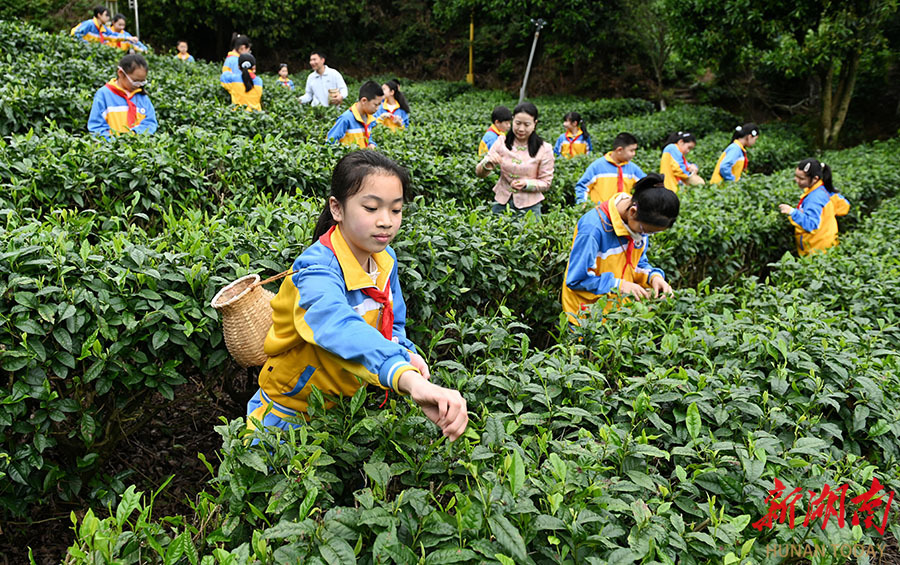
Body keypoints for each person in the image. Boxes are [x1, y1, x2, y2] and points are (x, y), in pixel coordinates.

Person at [246, 151, 468, 442]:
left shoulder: (384, 260)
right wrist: (407, 379)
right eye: (371, 208)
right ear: (337, 209)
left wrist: (405, 354)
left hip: (344, 411)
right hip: (286, 415)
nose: (386, 221)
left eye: (396, 210)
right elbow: (338, 325)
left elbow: (392, 323)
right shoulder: (314, 272)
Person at [562, 173, 678, 326]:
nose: (645, 236)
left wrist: (654, 277)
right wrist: (619, 285)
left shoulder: (638, 223)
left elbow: (637, 263)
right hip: (586, 319)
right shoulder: (593, 229)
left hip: (618, 315)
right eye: (646, 231)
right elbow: (576, 279)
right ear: (632, 212)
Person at [475, 101, 555, 216]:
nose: (521, 129)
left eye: (527, 125)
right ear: (513, 121)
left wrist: (527, 184)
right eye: (518, 123)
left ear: (535, 123)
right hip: (501, 203)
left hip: (529, 207)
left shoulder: (544, 149)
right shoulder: (501, 141)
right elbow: (479, 173)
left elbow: (546, 182)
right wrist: (487, 163)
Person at [778, 158, 850, 256]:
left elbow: (811, 225)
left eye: (801, 178)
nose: (796, 180)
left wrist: (792, 212)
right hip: (828, 243)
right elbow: (844, 206)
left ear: (815, 179)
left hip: (817, 250)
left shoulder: (814, 198)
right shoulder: (824, 189)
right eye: (796, 176)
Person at [87, 53, 157, 137]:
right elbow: (96, 128)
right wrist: (115, 141)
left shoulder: (143, 98)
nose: (138, 85)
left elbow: (150, 123)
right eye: (135, 81)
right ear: (121, 73)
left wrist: (134, 135)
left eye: (142, 82)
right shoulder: (103, 95)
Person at [574, 132, 646, 204]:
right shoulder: (597, 166)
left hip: (622, 210)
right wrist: (582, 204)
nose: (634, 154)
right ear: (619, 150)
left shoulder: (633, 168)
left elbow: (647, 184)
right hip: (601, 210)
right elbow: (582, 187)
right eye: (631, 150)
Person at [326, 81, 382, 149]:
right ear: (364, 101)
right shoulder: (346, 119)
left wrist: (371, 143)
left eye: (379, 105)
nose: (377, 108)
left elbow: (368, 137)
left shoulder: (370, 118)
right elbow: (330, 142)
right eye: (376, 105)